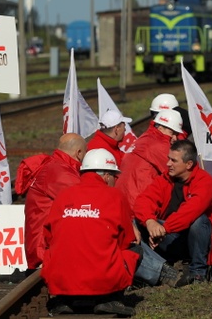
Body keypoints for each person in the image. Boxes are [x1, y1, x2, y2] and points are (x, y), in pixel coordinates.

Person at [41, 149, 139, 316]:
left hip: (62, 279)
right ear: (106, 175)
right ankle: (109, 299)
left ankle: (66, 300)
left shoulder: (63, 195)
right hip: (102, 280)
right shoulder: (115, 195)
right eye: (115, 176)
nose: (115, 180)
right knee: (135, 249)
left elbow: (48, 237)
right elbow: (126, 240)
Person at [134, 140, 212, 285]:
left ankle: (198, 273)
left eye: (173, 160)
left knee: (199, 220)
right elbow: (143, 201)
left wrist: (163, 229)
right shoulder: (165, 179)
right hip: (172, 236)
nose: (167, 163)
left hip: (201, 241)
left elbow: (189, 212)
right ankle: (163, 270)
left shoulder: (205, 182)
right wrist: (150, 222)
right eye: (168, 158)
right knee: (134, 223)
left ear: (189, 164)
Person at [23, 133, 86, 271]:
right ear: (79, 153)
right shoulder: (60, 171)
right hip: (44, 249)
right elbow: (86, 199)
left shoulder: (55, 166)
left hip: (42, 244)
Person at [116, 109, 183, 212]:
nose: (175, 138)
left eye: (176, 134)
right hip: (137, 205)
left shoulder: (145, 137)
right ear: (160, 128)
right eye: (172, 133)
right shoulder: (160, 146)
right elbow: (182, 172)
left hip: (124, 199)